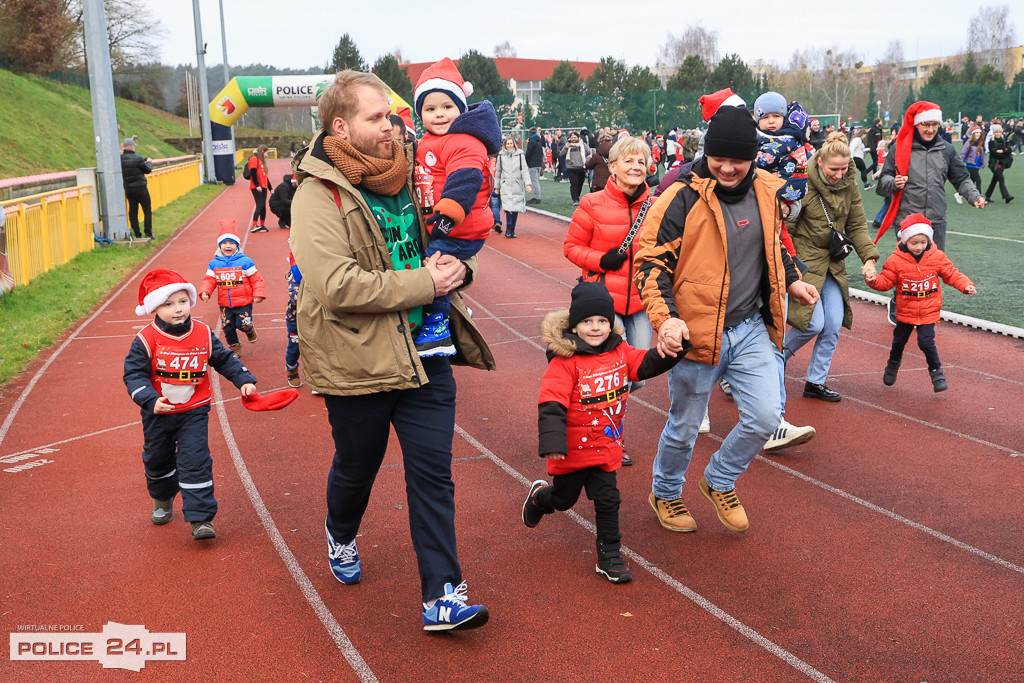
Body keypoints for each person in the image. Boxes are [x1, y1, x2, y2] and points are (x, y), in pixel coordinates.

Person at [289, 69, 495, 631]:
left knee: (432, 474)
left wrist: (460, 266)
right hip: (358, 360)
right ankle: (340, 530)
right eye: (375, 118)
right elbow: (338, 286)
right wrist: (429, 283)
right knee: (358, 467)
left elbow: (457, 242)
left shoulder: (416, 173)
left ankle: (442, 596)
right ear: (340, 126)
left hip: (427, 352)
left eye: (390, 115)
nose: (390, 126)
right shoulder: (315, 194)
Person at [634, 106, 819, 534]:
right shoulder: (679, 197)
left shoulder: (768, 191)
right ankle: (665, 493)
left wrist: (791, 281)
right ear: (706, 152)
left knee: (766, 417)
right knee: (684, 427)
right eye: (720, 158)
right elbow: (650, 263)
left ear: (754, 156)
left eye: (739, 159)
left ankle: (718, 480)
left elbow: (772, 246)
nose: (729, 167)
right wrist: (666, 321)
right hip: (695, 332)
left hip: (751, 326)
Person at [523, 282, 684, 583]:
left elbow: (643, 364)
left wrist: (671, 352)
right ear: (575, 324)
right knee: (564, 500)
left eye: (602, 321)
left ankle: (609, 555)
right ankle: (541, 498)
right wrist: (553, 442)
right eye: (587, 321)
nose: (595, 328)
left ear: (611, 324)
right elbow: (551, 403)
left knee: (608, 501)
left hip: (605, 447)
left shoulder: (619, 350)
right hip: (572, 451)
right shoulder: (565, 362)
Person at [123, 269, 257, 541]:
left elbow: (224, 359)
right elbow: (133, 374)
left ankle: (201, 518)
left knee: (196, 461)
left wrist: (243, 379)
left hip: (194, 412)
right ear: (154, 308)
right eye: (168, 304)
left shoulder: (203, 333)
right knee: (157, 458)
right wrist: (150, 400)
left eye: (183, 301)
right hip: (159, 413)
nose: (178, 309)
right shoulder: (145, 340)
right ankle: (162, 497)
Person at [563, 135, 655, 466]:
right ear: (612, 167)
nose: (635, 167)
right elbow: (571, 247)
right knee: (615, 373)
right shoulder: (592, 203)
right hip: (606, 304)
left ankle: (590, 414)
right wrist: (603, 260)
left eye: (641, 161)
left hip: (642, 302)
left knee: (639, 375)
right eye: (628, 161)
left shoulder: (654, 207)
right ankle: (609, 438)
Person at [411, 57, 501, 356]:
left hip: (460, 227)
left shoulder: (462, 141)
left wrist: (446, 221)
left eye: (447, 107)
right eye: (430, 108)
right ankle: (451, 312)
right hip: (447, 224)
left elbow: (465, 182)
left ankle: (438, 326)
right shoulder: (428, 141)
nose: (439, 114)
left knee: (431, 266)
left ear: (461, 110)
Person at [783, 133, 880, 404]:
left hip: (833, 264)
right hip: (805, 263)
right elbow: (785, 226)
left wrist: (869, 259)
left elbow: (858, 225)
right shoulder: (802, 184)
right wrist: (787, 263)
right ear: (821, 162)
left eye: (844, 168)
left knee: (833, 324)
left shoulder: (850, 185)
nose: (839, 174)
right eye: (833, 169)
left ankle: (815, 381)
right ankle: (775, 358)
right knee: (812, 323)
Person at [865, 213, 976, 392]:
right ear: (905, 240)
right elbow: (886, 281)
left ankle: (936, 372)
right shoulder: (896, 260)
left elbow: (951, 274)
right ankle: (893, 364)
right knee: (899, 341)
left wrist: (966, 285)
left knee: (926, 342)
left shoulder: (936, 256)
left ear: (929, 240)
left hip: (928, 310)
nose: (919, 247)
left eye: (923, 242)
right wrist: (873, 280)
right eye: (914, 242)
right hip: (905, 311)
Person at [875, 101, 985, 251]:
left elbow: (961, 178)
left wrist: (974, 196)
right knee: (908, 270)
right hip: (907, 221)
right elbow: (883, 180)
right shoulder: (898, 149)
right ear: (916, 124)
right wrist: (894, 182)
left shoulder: (947, 150)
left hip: (935, 220)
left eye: (935, 125)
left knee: (934, 268)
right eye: (926, 125)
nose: (931, 129)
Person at [198, 220, 267, 358]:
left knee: (243, 324)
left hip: (244, 302)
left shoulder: (245, 262)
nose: (227, 246)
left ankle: (249, 329)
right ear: (219, 246)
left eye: (231, 243)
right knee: (228, 327)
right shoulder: (214, 264)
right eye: (224, 243)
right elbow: (209, 280)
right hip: (225, 304)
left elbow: (256, 279)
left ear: (237, 245)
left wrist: (258, 293)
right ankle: (235, 347)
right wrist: (205, 292)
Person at [493, 135, 532, 238]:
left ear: (514, 144)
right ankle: (508, 229)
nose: (509, 145)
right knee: (508, 208)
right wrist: (497, 187)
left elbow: (524, 170)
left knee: (515, 209)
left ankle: (513, 229)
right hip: (505, 184)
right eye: (508, 144)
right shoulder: (501, 156)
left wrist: (528, 184)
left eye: (511, 143)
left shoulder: (520, 155)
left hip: (517, 185)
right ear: (505, 145)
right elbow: (498, 172)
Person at [121, 137, 153, 239]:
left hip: (129, 189)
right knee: (147, 211)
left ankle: (137, 234)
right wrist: (149, 162)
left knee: (133, 212)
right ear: (131, 146)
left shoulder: (119, 159)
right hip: (141, 188)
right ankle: (148, 233)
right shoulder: (138, 158)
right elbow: (147, 170)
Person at [284, 250, 302, 388]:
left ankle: (316, 378)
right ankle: (291, 367)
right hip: (295, 318)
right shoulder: (294, 276)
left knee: (317, 348)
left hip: (314, 318)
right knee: (294, 347)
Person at [985, 124, 1014, 204]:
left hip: (1002, 163)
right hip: (994, 163)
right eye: (996, 132)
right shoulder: (991, 141)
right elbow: (994, 153)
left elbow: (1009, 150)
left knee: (995, 179)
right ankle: (1006, 196)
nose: (998, 133)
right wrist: (1005, 151)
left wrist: (1002, 151)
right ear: (994, 133)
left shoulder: (1004, 140)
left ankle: (987, 196)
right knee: (1001, 178)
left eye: (999, 132)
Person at [560, 131, 591, 205]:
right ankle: (575, 199)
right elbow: (561, 154)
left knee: (580, 183)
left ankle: (577, 196)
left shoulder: (583, 145)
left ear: (578, 137)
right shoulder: (567, 145)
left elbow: (589, 152)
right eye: (572, 137)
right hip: (571, 167)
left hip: (581, 167)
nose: (573, 139)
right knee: (574, 183)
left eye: (575, 137)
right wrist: (566, 148)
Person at [247, 145, 271, 233]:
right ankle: (254, 225)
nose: (267, 155)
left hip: (263, 186)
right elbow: (253, 173)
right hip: (257, 187)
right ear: (262, 152)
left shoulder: (262, 161)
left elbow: (265, 177)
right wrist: (257, 185)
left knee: (263, 206)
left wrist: (270, 188)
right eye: (266, 153)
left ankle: (262, 225)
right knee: (259, 204)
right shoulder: (254, 159)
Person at [959, 128, 985, 195]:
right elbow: (963, 154)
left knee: (971, 181)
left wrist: (982, 164)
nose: (978, 134)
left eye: (979, 133)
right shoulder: (969, 143)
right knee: (978, 181)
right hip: (971, 165)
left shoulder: (980, 143)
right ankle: (979, 197)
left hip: (977, 165)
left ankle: (960, 194)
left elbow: (981, 155)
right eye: (976, 133)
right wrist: (960, 164)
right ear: (973, 134)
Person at [525, 127, 544, 204]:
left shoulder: (531, 142)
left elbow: (529, 153)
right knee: (536, 180)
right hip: (538, 163)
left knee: (534, 181)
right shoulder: (538, 141)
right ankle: (537, 196)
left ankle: (537, 197)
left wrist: (525, 161)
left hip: (532, 163)